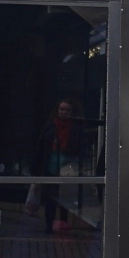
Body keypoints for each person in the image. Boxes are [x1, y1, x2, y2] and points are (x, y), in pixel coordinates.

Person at [30, 98, 86, 231]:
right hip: (50, 168)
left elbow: (81, 150)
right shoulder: (49, 126)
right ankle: (49, 226)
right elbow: (40, 148)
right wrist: (35, 170)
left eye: (67, 110)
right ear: (57, 111)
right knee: (50, 200)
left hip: (68, 169)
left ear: (72, 112)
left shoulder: (77, 128)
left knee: (65, 200)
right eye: (61, 109)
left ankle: (63, 225)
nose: (64, 112)